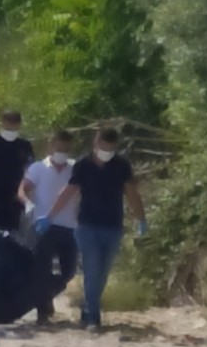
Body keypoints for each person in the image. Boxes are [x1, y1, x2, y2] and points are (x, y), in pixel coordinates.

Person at [39, 127, 145, 330]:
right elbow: (68, 191)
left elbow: (132, 193)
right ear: (96, 144)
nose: (107, 151)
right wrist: (50, 216)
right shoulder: (83, 165)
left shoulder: (121, 165)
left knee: (103, 272)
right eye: (104, 147)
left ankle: (88, 308)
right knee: (91, 268)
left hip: (113, 226)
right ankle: (93, 317)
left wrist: (141, 219)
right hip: (87, 225)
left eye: (111, 148)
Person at [20, 129, 79, 325]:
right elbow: (23, 188)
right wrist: (28, 203)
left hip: (69, 226)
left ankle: (47, 295)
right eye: (58, 147)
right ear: (50, 146)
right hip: (43, 225)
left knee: (69, 270)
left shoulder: (75, 168)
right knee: (41, 268)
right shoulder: (38, 168)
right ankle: (42, 312)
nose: (62, 151)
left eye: (65, 148)